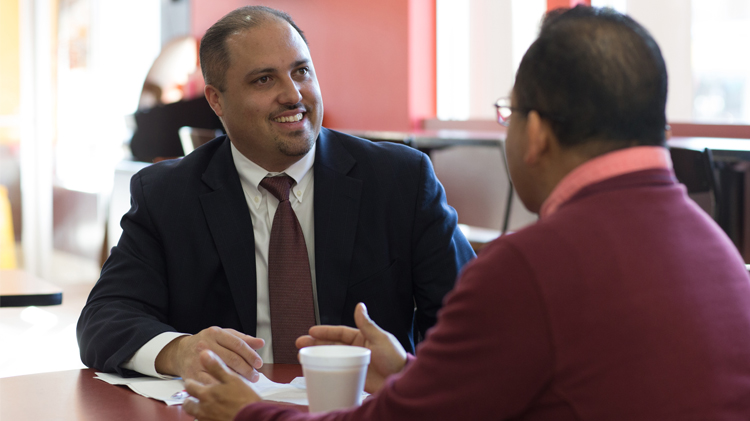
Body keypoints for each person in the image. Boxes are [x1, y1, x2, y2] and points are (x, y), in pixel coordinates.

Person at [182, 6, 750, 421]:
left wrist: (247, 413)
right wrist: (411, 377)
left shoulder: (530, 270)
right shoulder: (720, 253)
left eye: (509, 114)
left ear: (538, 135)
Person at [77, 5, 474, 383]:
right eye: (264, 79)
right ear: (216, 100)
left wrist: (412, 375)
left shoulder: (399, 180)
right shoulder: (167, 195)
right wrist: (180, 351)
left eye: (301, 71)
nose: (293, 95)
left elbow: (472, 315)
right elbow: (105, 318)